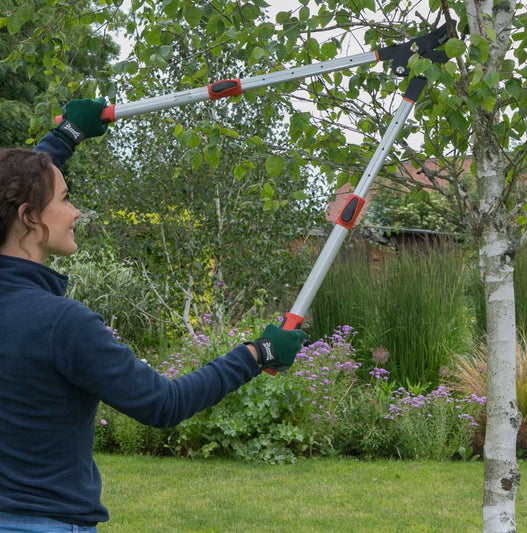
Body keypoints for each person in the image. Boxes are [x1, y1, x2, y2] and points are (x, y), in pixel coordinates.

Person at [0, 98, 306, 532]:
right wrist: (257, 354)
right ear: (30, 217)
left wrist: (66, 137)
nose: (76, 212)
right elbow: (164, 404)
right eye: (65, 200)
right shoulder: (62, 324)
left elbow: (10, 190)